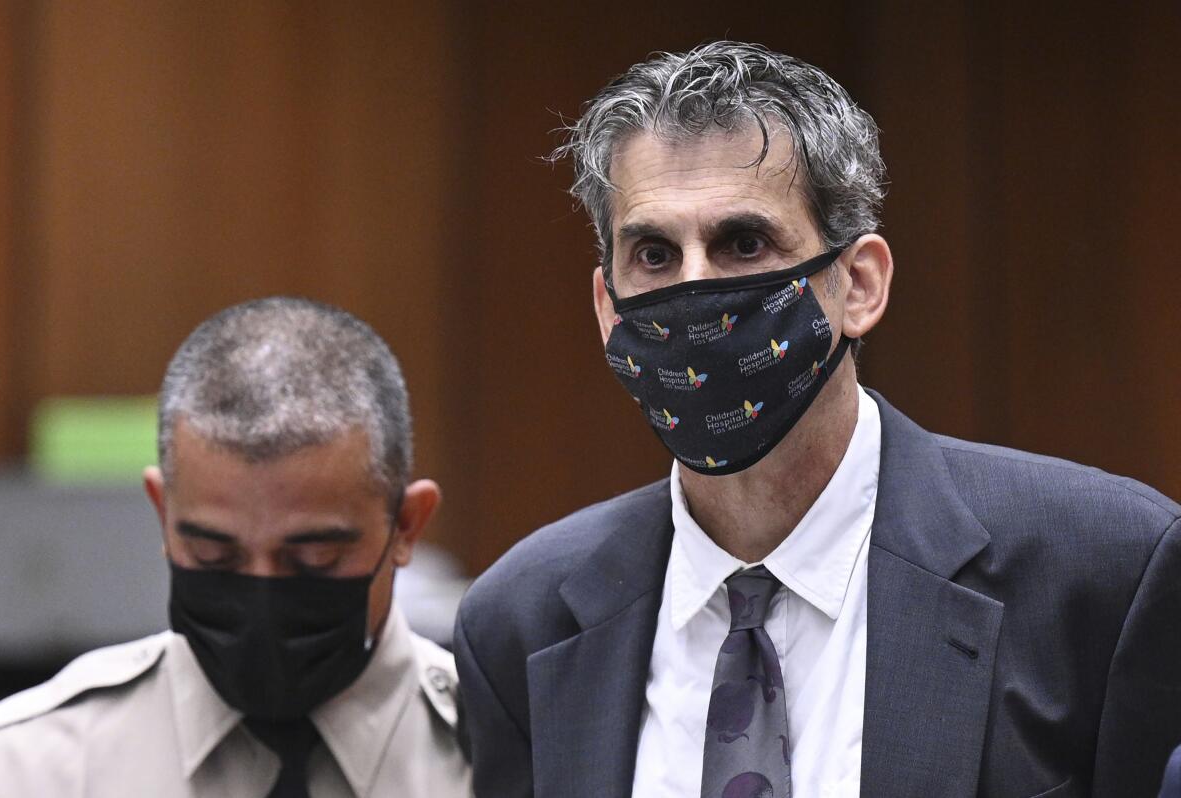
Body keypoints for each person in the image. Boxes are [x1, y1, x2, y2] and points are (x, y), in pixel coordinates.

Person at [454, 41, 1181, 798]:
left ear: (859, 285)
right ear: (608, 308)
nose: (695, 288)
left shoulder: (1103, 572)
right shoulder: (521, 623)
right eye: (655, 254)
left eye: (743, 243)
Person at [0, 297, 470, 797]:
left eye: (314, 558)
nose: (262, 591)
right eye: (214, 553)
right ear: (162, 515)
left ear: (407, 526)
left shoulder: (504, 758)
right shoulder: (26, 770)